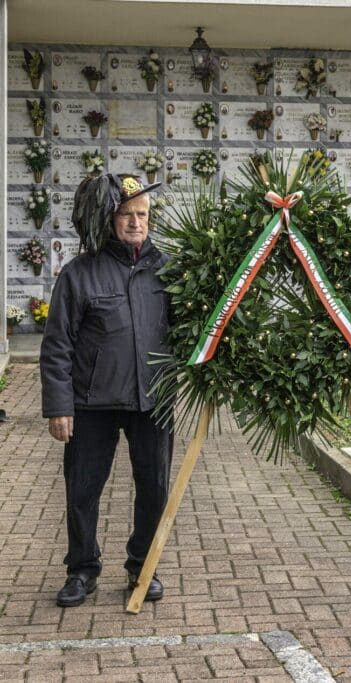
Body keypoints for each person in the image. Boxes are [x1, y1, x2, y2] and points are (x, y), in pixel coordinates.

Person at [40, 174, 172, 607]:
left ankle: (142, 567)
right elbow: (58, 344)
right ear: (109, 220)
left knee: (154, 488)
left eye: (142, 215)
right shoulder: (80, 273)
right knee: (82, 490)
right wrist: (59, 406)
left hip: (151, 400)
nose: (135, 223)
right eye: (126, 215)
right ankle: (81, 570)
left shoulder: (167, 269)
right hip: (91, 403)